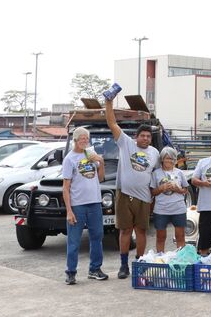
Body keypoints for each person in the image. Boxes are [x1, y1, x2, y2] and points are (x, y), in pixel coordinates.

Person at [105, 98, 160, 279]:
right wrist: (108, 103)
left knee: (141, 231)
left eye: (148, 136)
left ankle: (139, 263)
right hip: (125, 195)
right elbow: (112, 122)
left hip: (144, 198)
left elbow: (157, 175)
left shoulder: (155, 153)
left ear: (151, 139)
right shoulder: (126, 144)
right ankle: (123, 266)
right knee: (125, 231)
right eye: (142, 135)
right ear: (136, 137)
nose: (145, 138)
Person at [62, 127, 108, 284]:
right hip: (78, 205)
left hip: (95, 203)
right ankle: (71, 272)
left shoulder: (91, 154)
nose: (84, 141)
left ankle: (95, 269)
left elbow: (101, 178)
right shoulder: (69, 159)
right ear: (75, 140)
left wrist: (100, 162)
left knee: (97, 237)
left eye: (86, 139)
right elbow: (66, 188)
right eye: (81, 138)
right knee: (74, 240)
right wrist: (69, 210)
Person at [150, 147, 189, 253]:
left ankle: (181, 260)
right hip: (161, 209)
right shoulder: (156, 173)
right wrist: (161, 188)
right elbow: (152, 192)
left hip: (178, 208)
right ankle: (160, 259)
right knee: (160, 237)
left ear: (175, 160)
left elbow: (185, 190)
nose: (169, 161)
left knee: (180, 237)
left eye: (171, 159)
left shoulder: (179, 173)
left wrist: (177, 189)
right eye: (166, 158)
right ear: (162, 159)